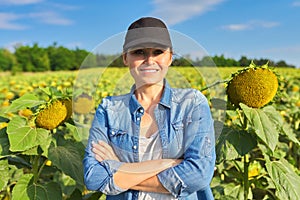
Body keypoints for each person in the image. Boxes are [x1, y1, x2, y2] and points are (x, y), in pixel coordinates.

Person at [83, 16, 216, 200]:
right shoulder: (109, 109)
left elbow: (199, 175)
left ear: (170, 57)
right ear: (125, 58)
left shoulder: (192, 104)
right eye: (139, 52)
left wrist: (117, 167)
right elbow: (94, 178)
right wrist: (167, 163)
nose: (149, 60)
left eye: (158, 52)